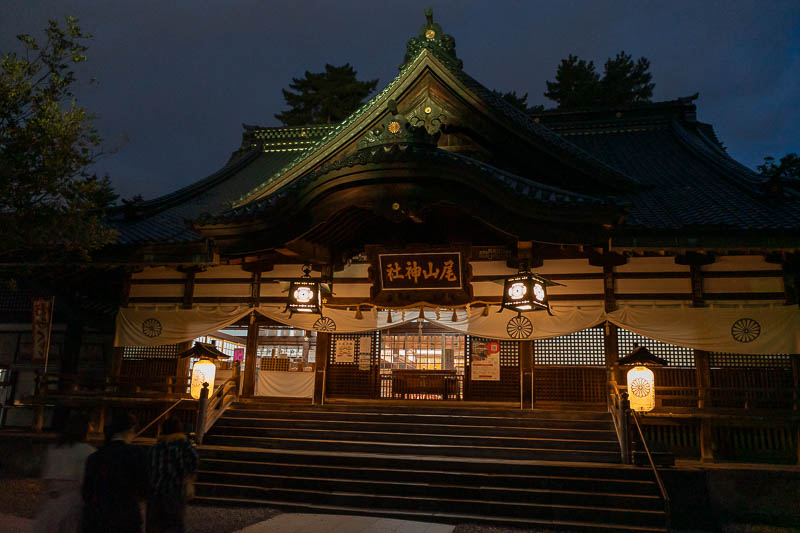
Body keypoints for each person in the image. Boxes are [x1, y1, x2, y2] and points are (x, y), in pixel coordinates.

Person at [82, 413, 147, 533]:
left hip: (99, 516)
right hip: (126, 515)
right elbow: (144, 487)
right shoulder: (136, 454)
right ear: (130, 430)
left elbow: (87, 491)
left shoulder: (95, 457)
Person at [34, 412, 94, 533]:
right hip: (74, 497)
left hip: (51, 495)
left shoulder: (54, 448)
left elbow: (46, 473)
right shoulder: (88, 451)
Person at [146, 416, 198, 533]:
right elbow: (194, 461)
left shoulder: (155, 447)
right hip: (175, 490)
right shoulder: (184, 446)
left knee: (155, 524)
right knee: (174, 524)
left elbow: (149, 467)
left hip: (156, 491)